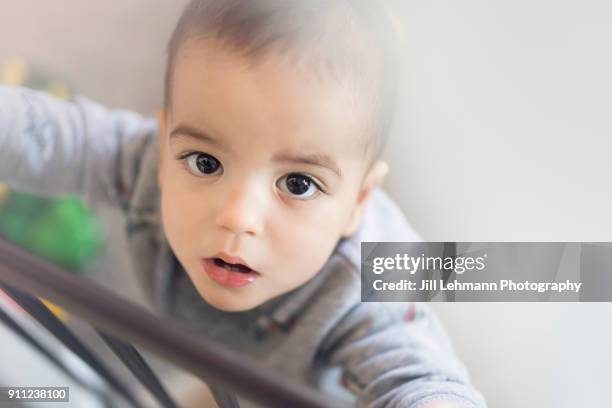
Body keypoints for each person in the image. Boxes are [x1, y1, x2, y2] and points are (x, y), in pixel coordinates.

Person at [0, 1, 486, 407]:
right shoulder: (148, 163)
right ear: (167, 140)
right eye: (206, 162)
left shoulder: (363, 287)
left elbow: (418, 375)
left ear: (358, 200)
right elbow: (50, 135)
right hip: (222, 364)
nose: (237, 216)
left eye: (297, 184)